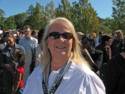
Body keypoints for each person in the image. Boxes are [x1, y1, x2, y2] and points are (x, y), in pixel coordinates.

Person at [23, 17, 105, 94]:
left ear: (73, 43)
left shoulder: (86, 78)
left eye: (66, 36)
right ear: (46, 42)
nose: (61, 39)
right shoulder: (36, 74)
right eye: (55, 35)